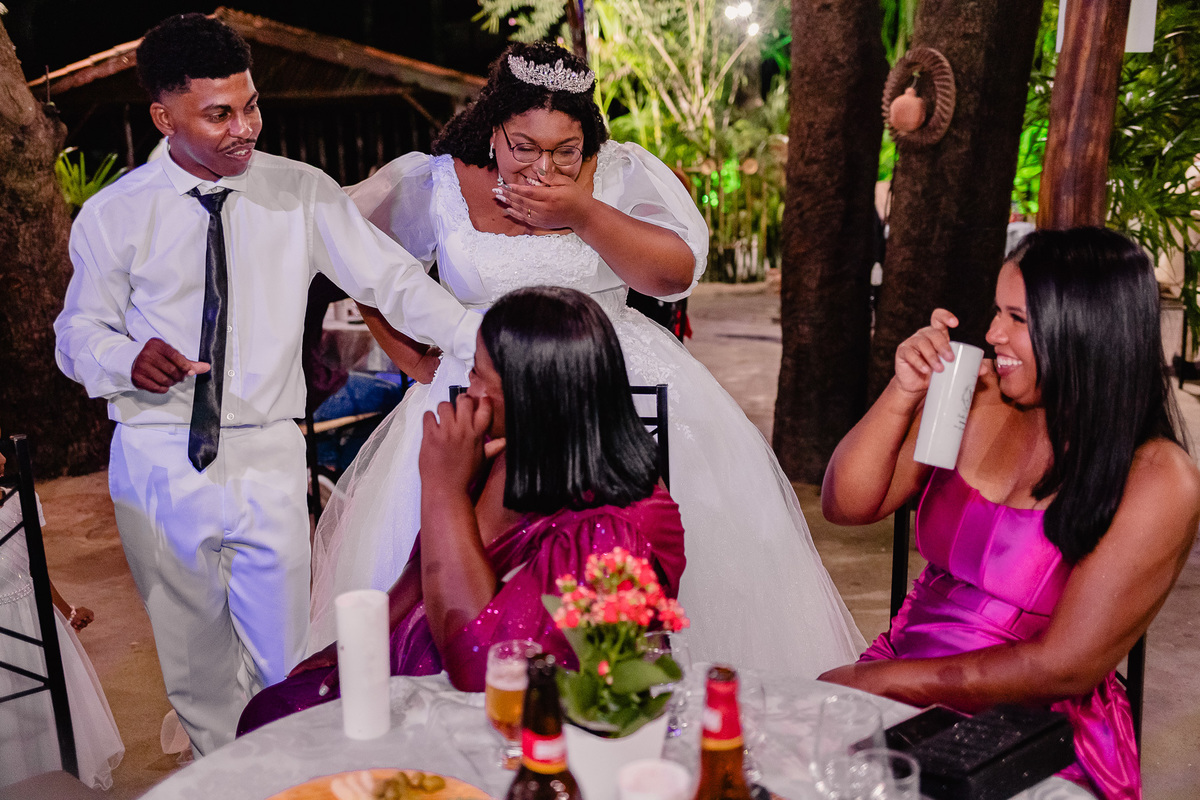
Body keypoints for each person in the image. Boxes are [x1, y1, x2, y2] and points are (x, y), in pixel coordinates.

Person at [309, 42, 865, 677]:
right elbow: (355, 260)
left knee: (645, 560)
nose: (544, 164)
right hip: (486, 390)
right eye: (525, 146)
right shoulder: (435, 181)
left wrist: (583, 210)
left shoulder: (620, 173)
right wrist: (412, 359)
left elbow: (673, 275)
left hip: (613, 381)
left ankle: (634, 687)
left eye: (564, 151)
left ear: (587, 138)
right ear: (495, 131)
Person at [53, 14, 480, 755]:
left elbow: (395, 283)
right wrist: (125, 359)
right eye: (219, 113)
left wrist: (486, 343)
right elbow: (75, 334)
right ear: (164, 116)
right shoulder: (112, 217)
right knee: (195, 672)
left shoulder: (302, 194)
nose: (244, 126)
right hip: (157, 462)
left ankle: (295, 777)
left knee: (289, 660)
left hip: (269, 460)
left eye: (250, 105)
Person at [818, 227, 1200, 799]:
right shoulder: (980, 394)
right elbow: (846, 505)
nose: (993, 333)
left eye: (1017, 319)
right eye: (997, 312)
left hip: (1034, 721)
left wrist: (880, 681)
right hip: (903, 667)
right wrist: (903, 392)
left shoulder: (1156, 477)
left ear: (1085, 328)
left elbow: (1061, 668)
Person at [236, 287, 686, 732]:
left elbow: (484, 672)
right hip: (435, 645)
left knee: (276, 724)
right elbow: (421, 573)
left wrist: (442, 487)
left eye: (477, 374)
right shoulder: (509, 454)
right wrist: (345, 651)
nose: (466, 390)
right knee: (269, 710)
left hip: (526, 708)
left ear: (532, 393)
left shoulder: (618, 526)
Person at [0, 436, 125, 789]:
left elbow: (34, 568)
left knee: (47, 706)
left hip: (31, 616)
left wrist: (66, 611)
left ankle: (57, 780)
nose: (1, 456)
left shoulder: (19, 499)